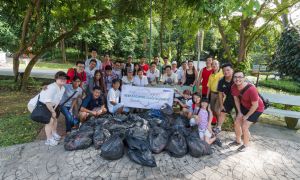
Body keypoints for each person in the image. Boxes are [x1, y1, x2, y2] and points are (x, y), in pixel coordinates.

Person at [28, 71, 67, 146]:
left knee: (55, 118)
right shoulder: (51, 87)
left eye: (64, 78)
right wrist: (52, 112)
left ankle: (54, 133)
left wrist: (54, 110)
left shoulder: (63, 88)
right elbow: (47, 102)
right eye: (60, 78)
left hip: (48, 106)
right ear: (56, 79)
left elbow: (58, 100)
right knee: (50, 121)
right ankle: (49, 139)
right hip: (37, 105)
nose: (63, 79)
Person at [230, 71, 264, 152]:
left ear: (244, 78)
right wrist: (240, 112)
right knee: (237, 122)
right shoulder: (233, 87)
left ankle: (245, 144)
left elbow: (255, 105)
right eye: (235, 77)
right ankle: (238, 141)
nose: (237, 79)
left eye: (240, 77)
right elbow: (236, 99)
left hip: (257, 109)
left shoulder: (251, 89)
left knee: (245, 126)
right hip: (245, 106)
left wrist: (247, 116)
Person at [214, 63, 235, 134]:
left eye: (228, 70)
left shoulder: (237, 78)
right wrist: (221, 104)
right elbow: (220, 94)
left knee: (239, 117)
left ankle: (242, 134)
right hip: (229, 99)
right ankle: (218, 127)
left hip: (240, 99)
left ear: (232, 70)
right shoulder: (221, 81)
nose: (226, 72)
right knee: (223, 112)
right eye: (224, 71)